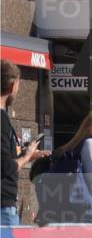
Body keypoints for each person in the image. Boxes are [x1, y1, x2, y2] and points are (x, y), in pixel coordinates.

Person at [1, 59, 48, 225]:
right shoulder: (1, 120)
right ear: (13, 86)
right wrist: (26, 156)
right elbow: (5, 166)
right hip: (3, 207)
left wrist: (26, 155)